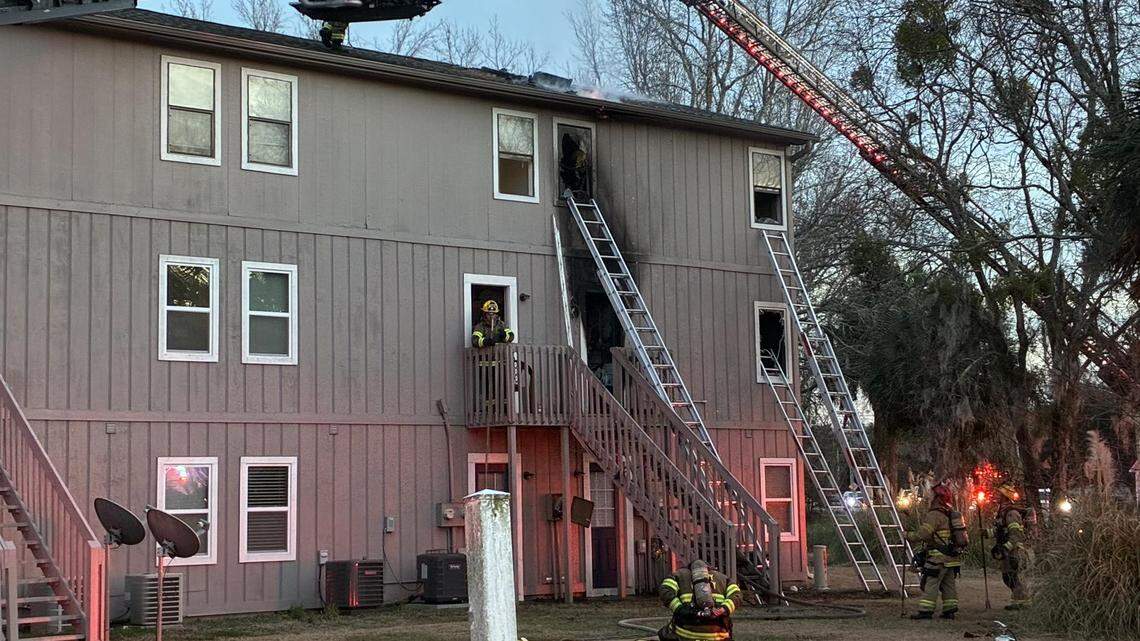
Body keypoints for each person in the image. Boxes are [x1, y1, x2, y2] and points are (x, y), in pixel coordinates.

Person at [906, 483, 965, 620]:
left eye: (932, 495)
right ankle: (950, 610)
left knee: (930, 582)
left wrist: (908, 535)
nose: (930, 497)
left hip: (938, 558)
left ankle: (926, 611)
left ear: (937, 498)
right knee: (948, 583)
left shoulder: (934, 514)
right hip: (952, 557)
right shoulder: (950, 513)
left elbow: (924, 534)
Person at [657, 559, 742, 641]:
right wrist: (724, 608)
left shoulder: (679, 575)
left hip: (684, 635)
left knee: (664, 633)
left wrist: (679, 608)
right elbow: (737, 595)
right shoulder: (723, 578)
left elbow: (665, 590)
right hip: (718, 636)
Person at [991, 483, 1031, 610]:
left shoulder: (1011, 514)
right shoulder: (1003, 513)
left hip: (1014, 552)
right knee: (1008, 577)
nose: (996, 496)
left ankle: (1022, 603)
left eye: (999, 494)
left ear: (1005, 497)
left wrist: (1005, 548)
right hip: (1009, 552)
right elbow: (1000, 531)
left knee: (1013, 577)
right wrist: (985, 533)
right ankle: (1018, 602)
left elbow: (1015, 535)